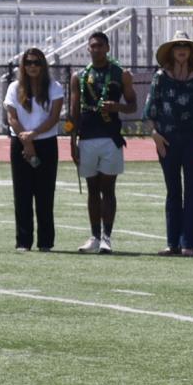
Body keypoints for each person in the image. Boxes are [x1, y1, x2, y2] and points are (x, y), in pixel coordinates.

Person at [144, 32, 193, 257]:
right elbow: (150, 110)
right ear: (171, 51)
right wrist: (155, 135)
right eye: (177, 46)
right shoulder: (160, 77)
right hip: (167, 140)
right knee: (173, 190)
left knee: (192, 190)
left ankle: (190, 243)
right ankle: (172, 242)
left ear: (191, 51)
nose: (182, 49)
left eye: (185, 45)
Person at [69, 31, 138, 254]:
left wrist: (115, 107)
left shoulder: (121, 73)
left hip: (110, 137)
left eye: (100, 45)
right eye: (92, 46)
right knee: (91, 189)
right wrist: (72, 141)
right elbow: (74, 112)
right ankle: (94, 236)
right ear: (88, 49)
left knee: (108, 189)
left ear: (108, 48)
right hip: (87, 137)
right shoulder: (78, 76)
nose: (96, 49)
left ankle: (107, 237)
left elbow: (132, 106)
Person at [3, 48, 64, 252]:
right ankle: (23, 241)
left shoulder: (54, 87)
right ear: (23, 65)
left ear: (43, 65)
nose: (32, 66)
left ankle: (46, 242)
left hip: (46, 143)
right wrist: (26, 140)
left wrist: (34, 135)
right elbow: (11, 117)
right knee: (22, 193)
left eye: (37, 62)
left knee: (45, 194)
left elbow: (54, 117)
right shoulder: (14, 87)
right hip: (20, 141)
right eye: (28, 62)